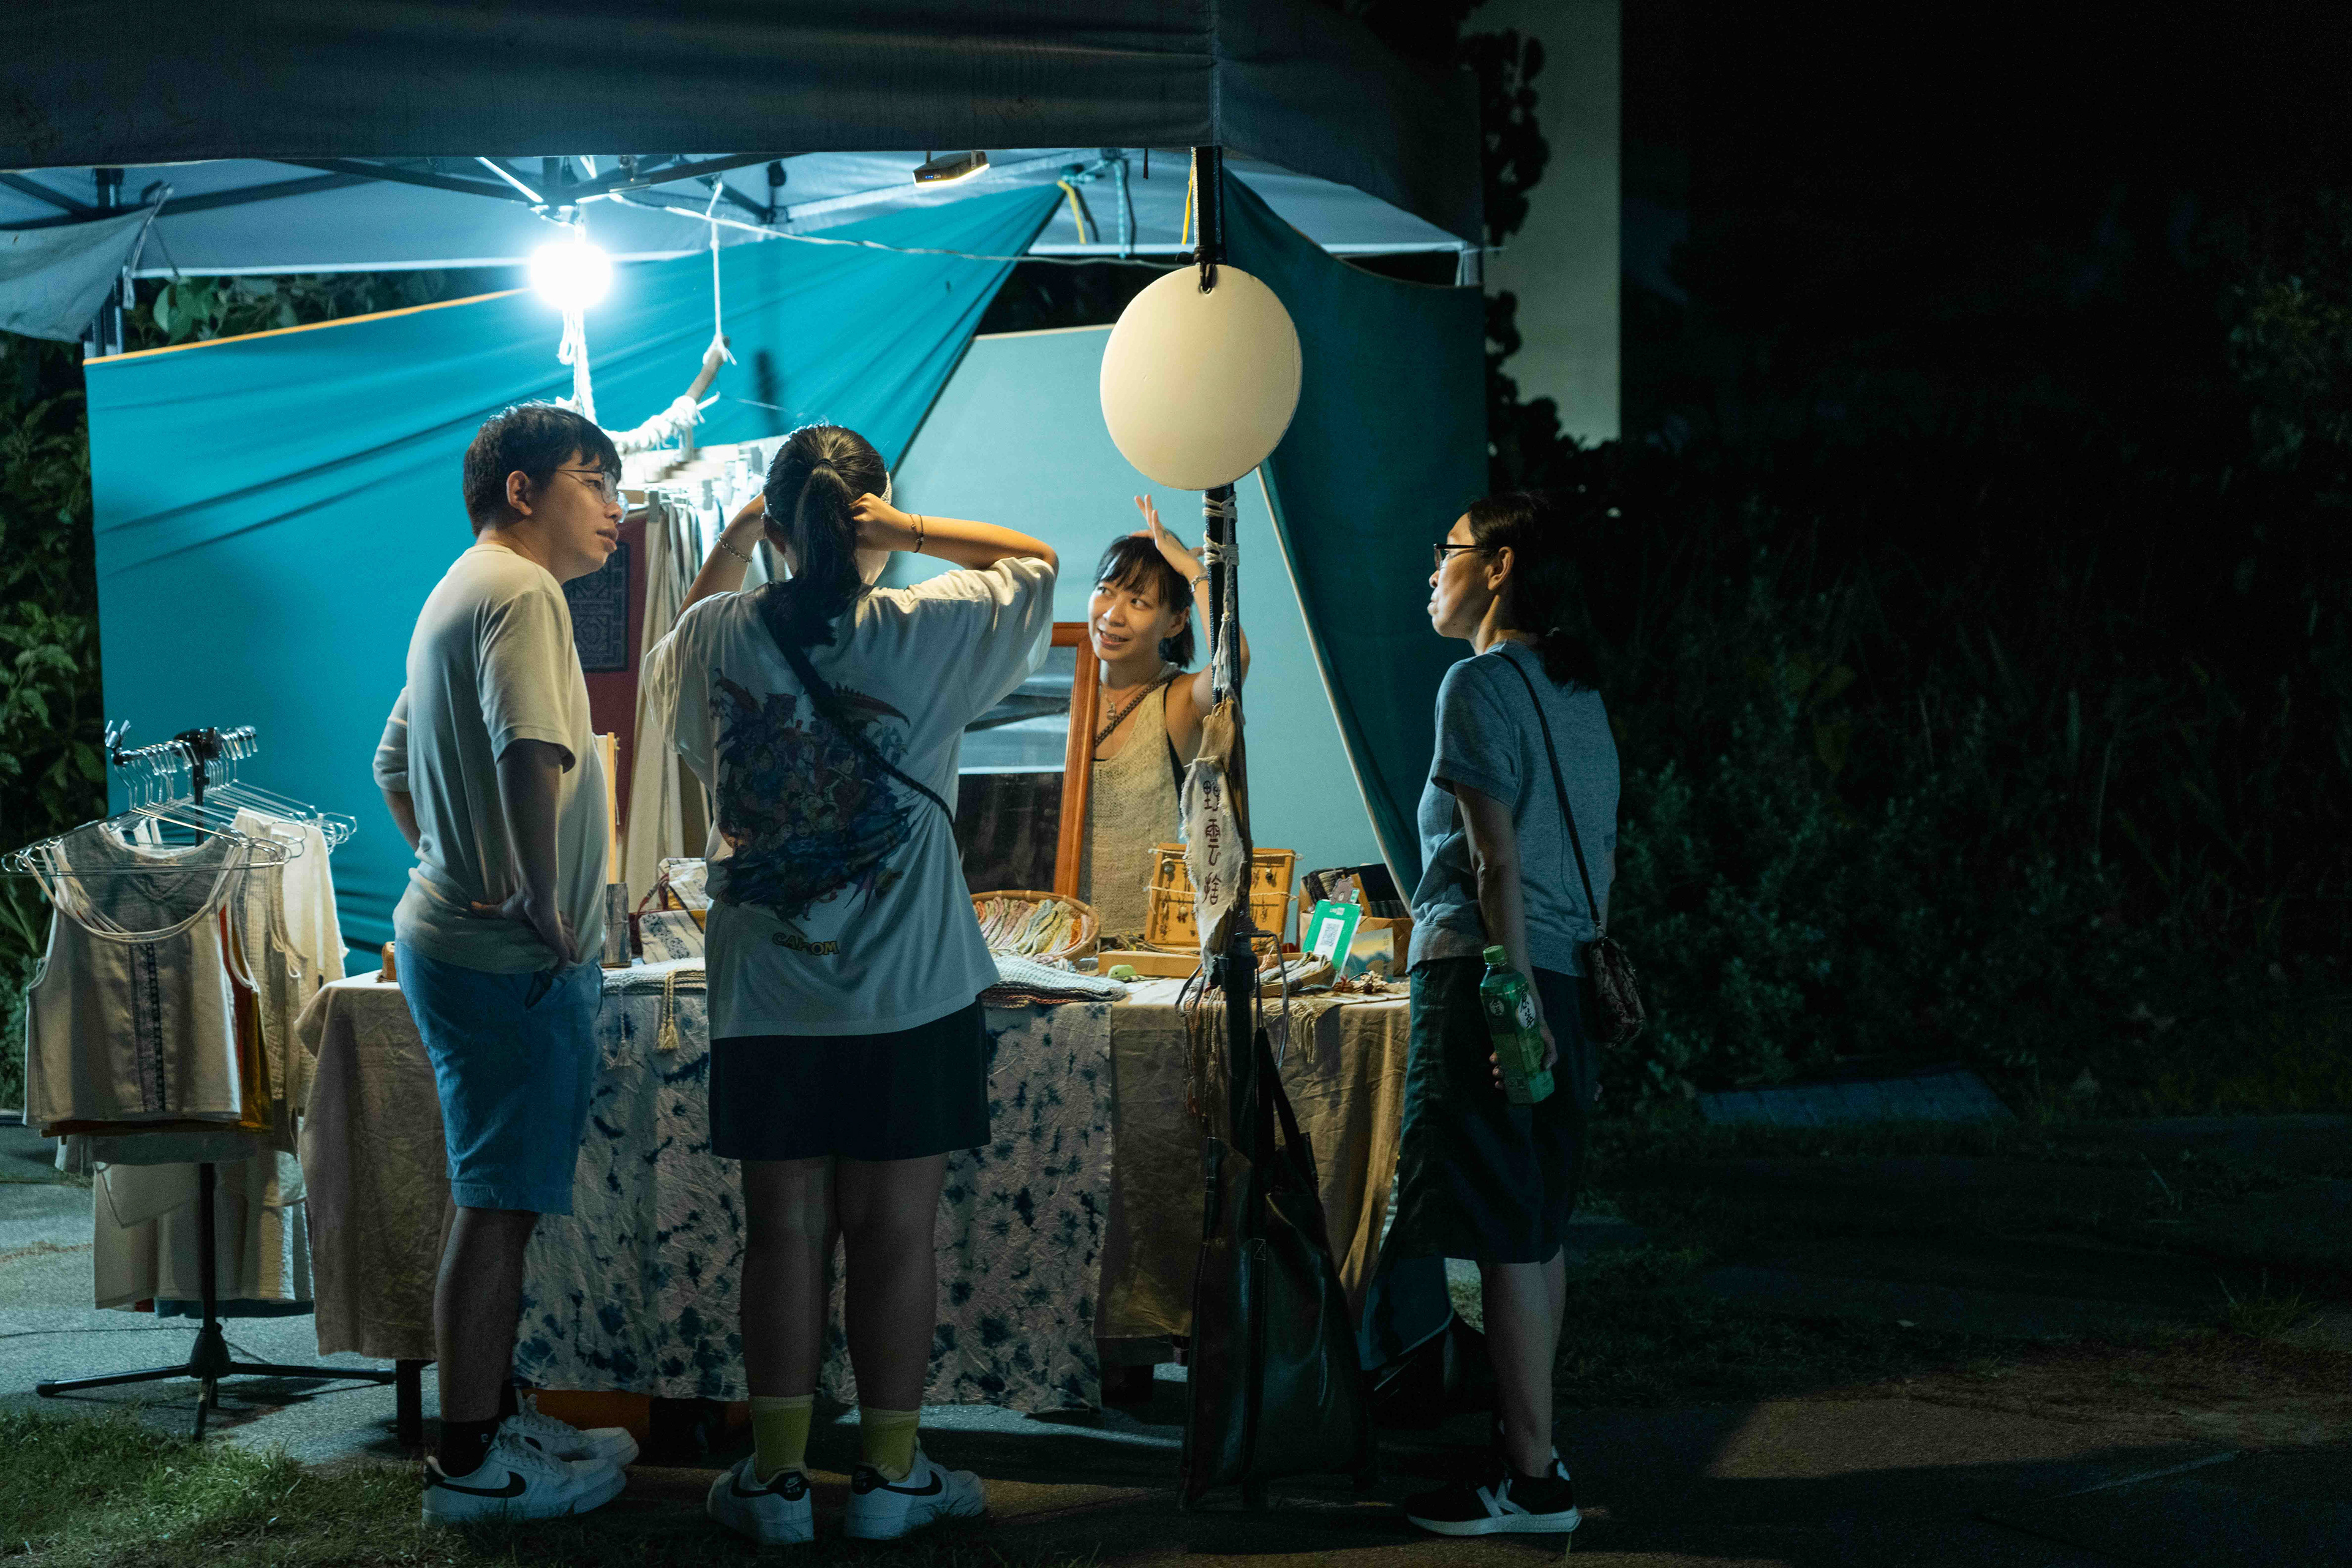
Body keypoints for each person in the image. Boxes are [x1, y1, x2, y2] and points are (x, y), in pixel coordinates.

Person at [646, 424, 1058, 1546]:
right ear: (872, 519)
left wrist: (746, 534)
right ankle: (887, 1477)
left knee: (781, 1232)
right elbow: (1034, 561)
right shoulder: (929, 626)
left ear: (779, 525)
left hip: (766, 990)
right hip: (909, 986)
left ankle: (778, 1481)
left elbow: (686, 647)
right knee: (895, 1233)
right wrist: (909, 529)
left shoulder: (718, 634)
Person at [374, 403, 640, 1523]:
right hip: (508, 957)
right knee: (495, 1208)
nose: (616, 508)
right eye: (595, 482)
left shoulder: (460, 588)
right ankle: (472, 1465)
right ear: (522, 490)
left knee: (495, 1198)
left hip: (460, 942)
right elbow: (531, 747)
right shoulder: (524, 592)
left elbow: (391, 762)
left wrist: (452, 858)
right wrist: (530, 886)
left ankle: (493, 1418)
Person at [1389, 490, 1619, 1539]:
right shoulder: (1579, 692)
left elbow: (1493, 862)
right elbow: (1593, 858)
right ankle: (1537, 1451)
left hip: (1493, 975)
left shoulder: (1477, 683)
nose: (1431, 570)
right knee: (1537, 1223)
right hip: (1568, 975)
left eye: (1446, 551)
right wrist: (1547, 990)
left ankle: (1530, 1480)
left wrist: (1511, 999)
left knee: (1503, 1234)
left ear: (1499, 565)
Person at [1079, 496, 1250, 938]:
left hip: (1145, 943)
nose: (1112, 615)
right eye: (1106, 591)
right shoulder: (1068, 691)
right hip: (1056, 936)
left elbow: (1233, 661)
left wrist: (1193, 571)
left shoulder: (1178, 699)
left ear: (1175, 623)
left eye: (1138, 602)